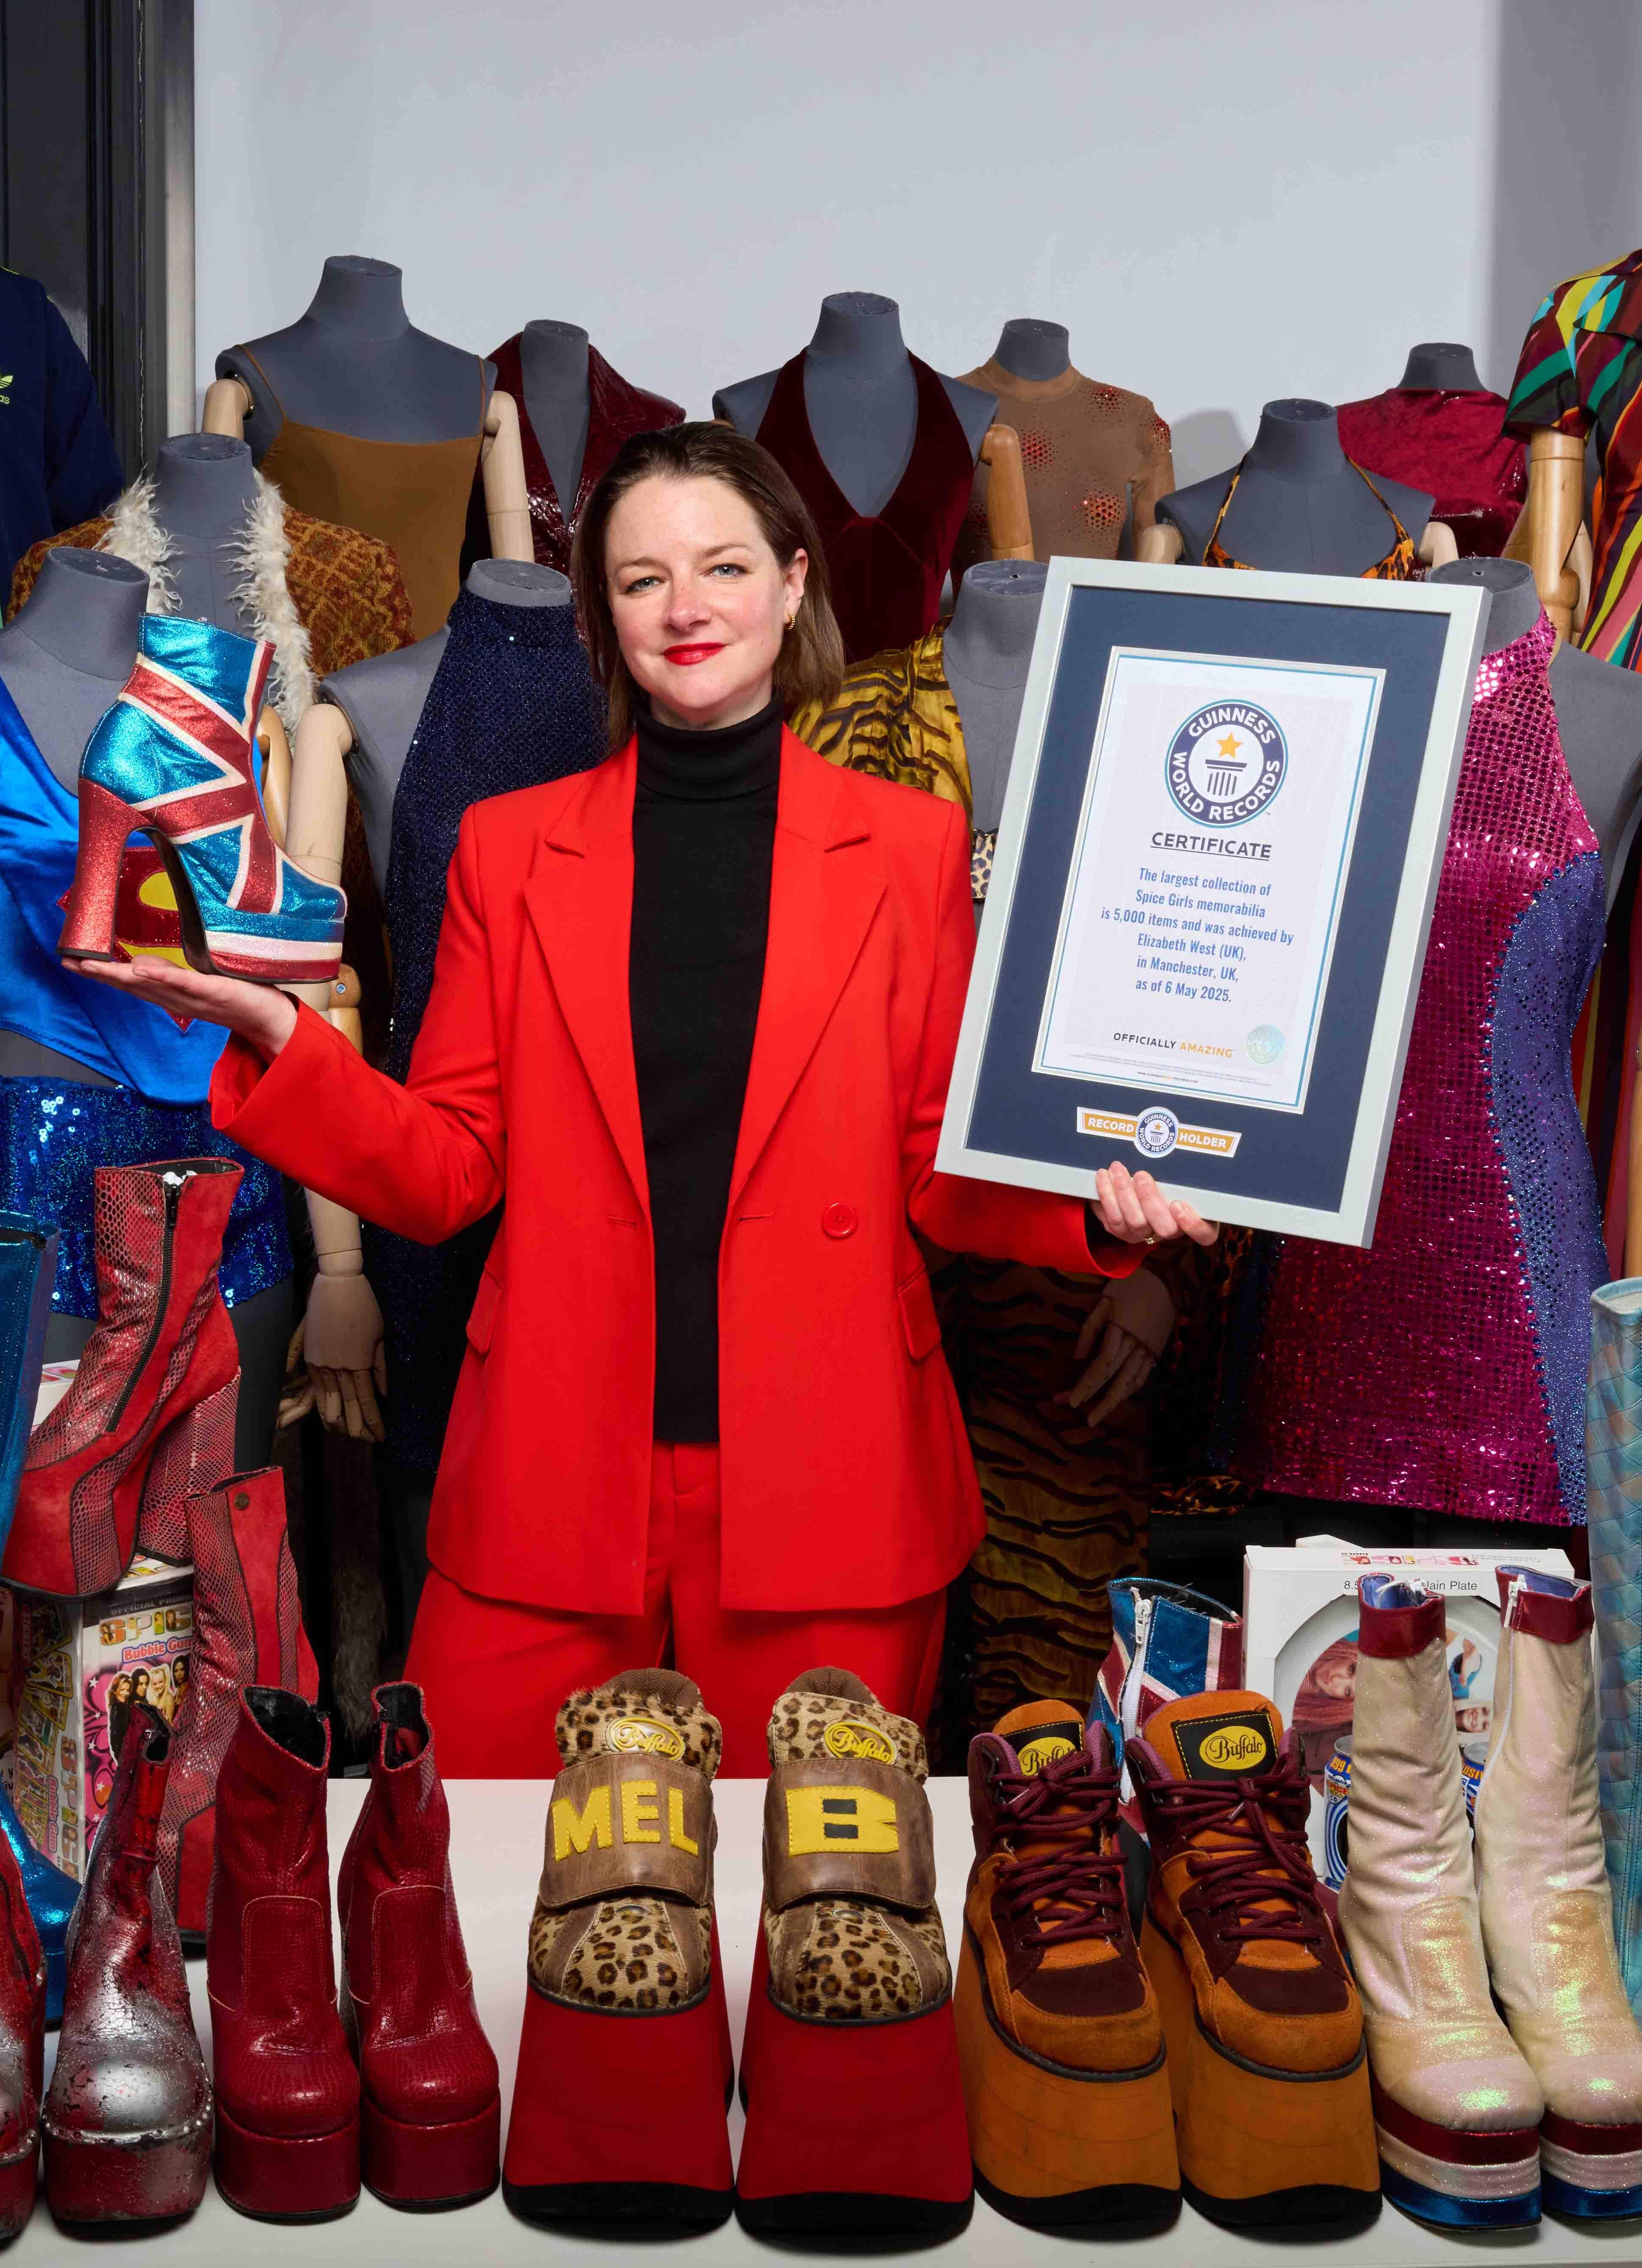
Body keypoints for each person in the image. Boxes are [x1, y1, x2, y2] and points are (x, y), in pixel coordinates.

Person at [82, 422, 1212, 1774]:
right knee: (490, 1897)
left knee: (818, 1938)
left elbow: (937, 1165)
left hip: (832, 1470)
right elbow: (448, 1167)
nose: (686, 609)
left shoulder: (905, 847)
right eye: (640, 581)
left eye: (724, 567)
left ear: (795, 584)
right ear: (601, 615)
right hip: (556, 1466)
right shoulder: (513, 849)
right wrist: (284, 1042)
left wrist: (1099, 1207)